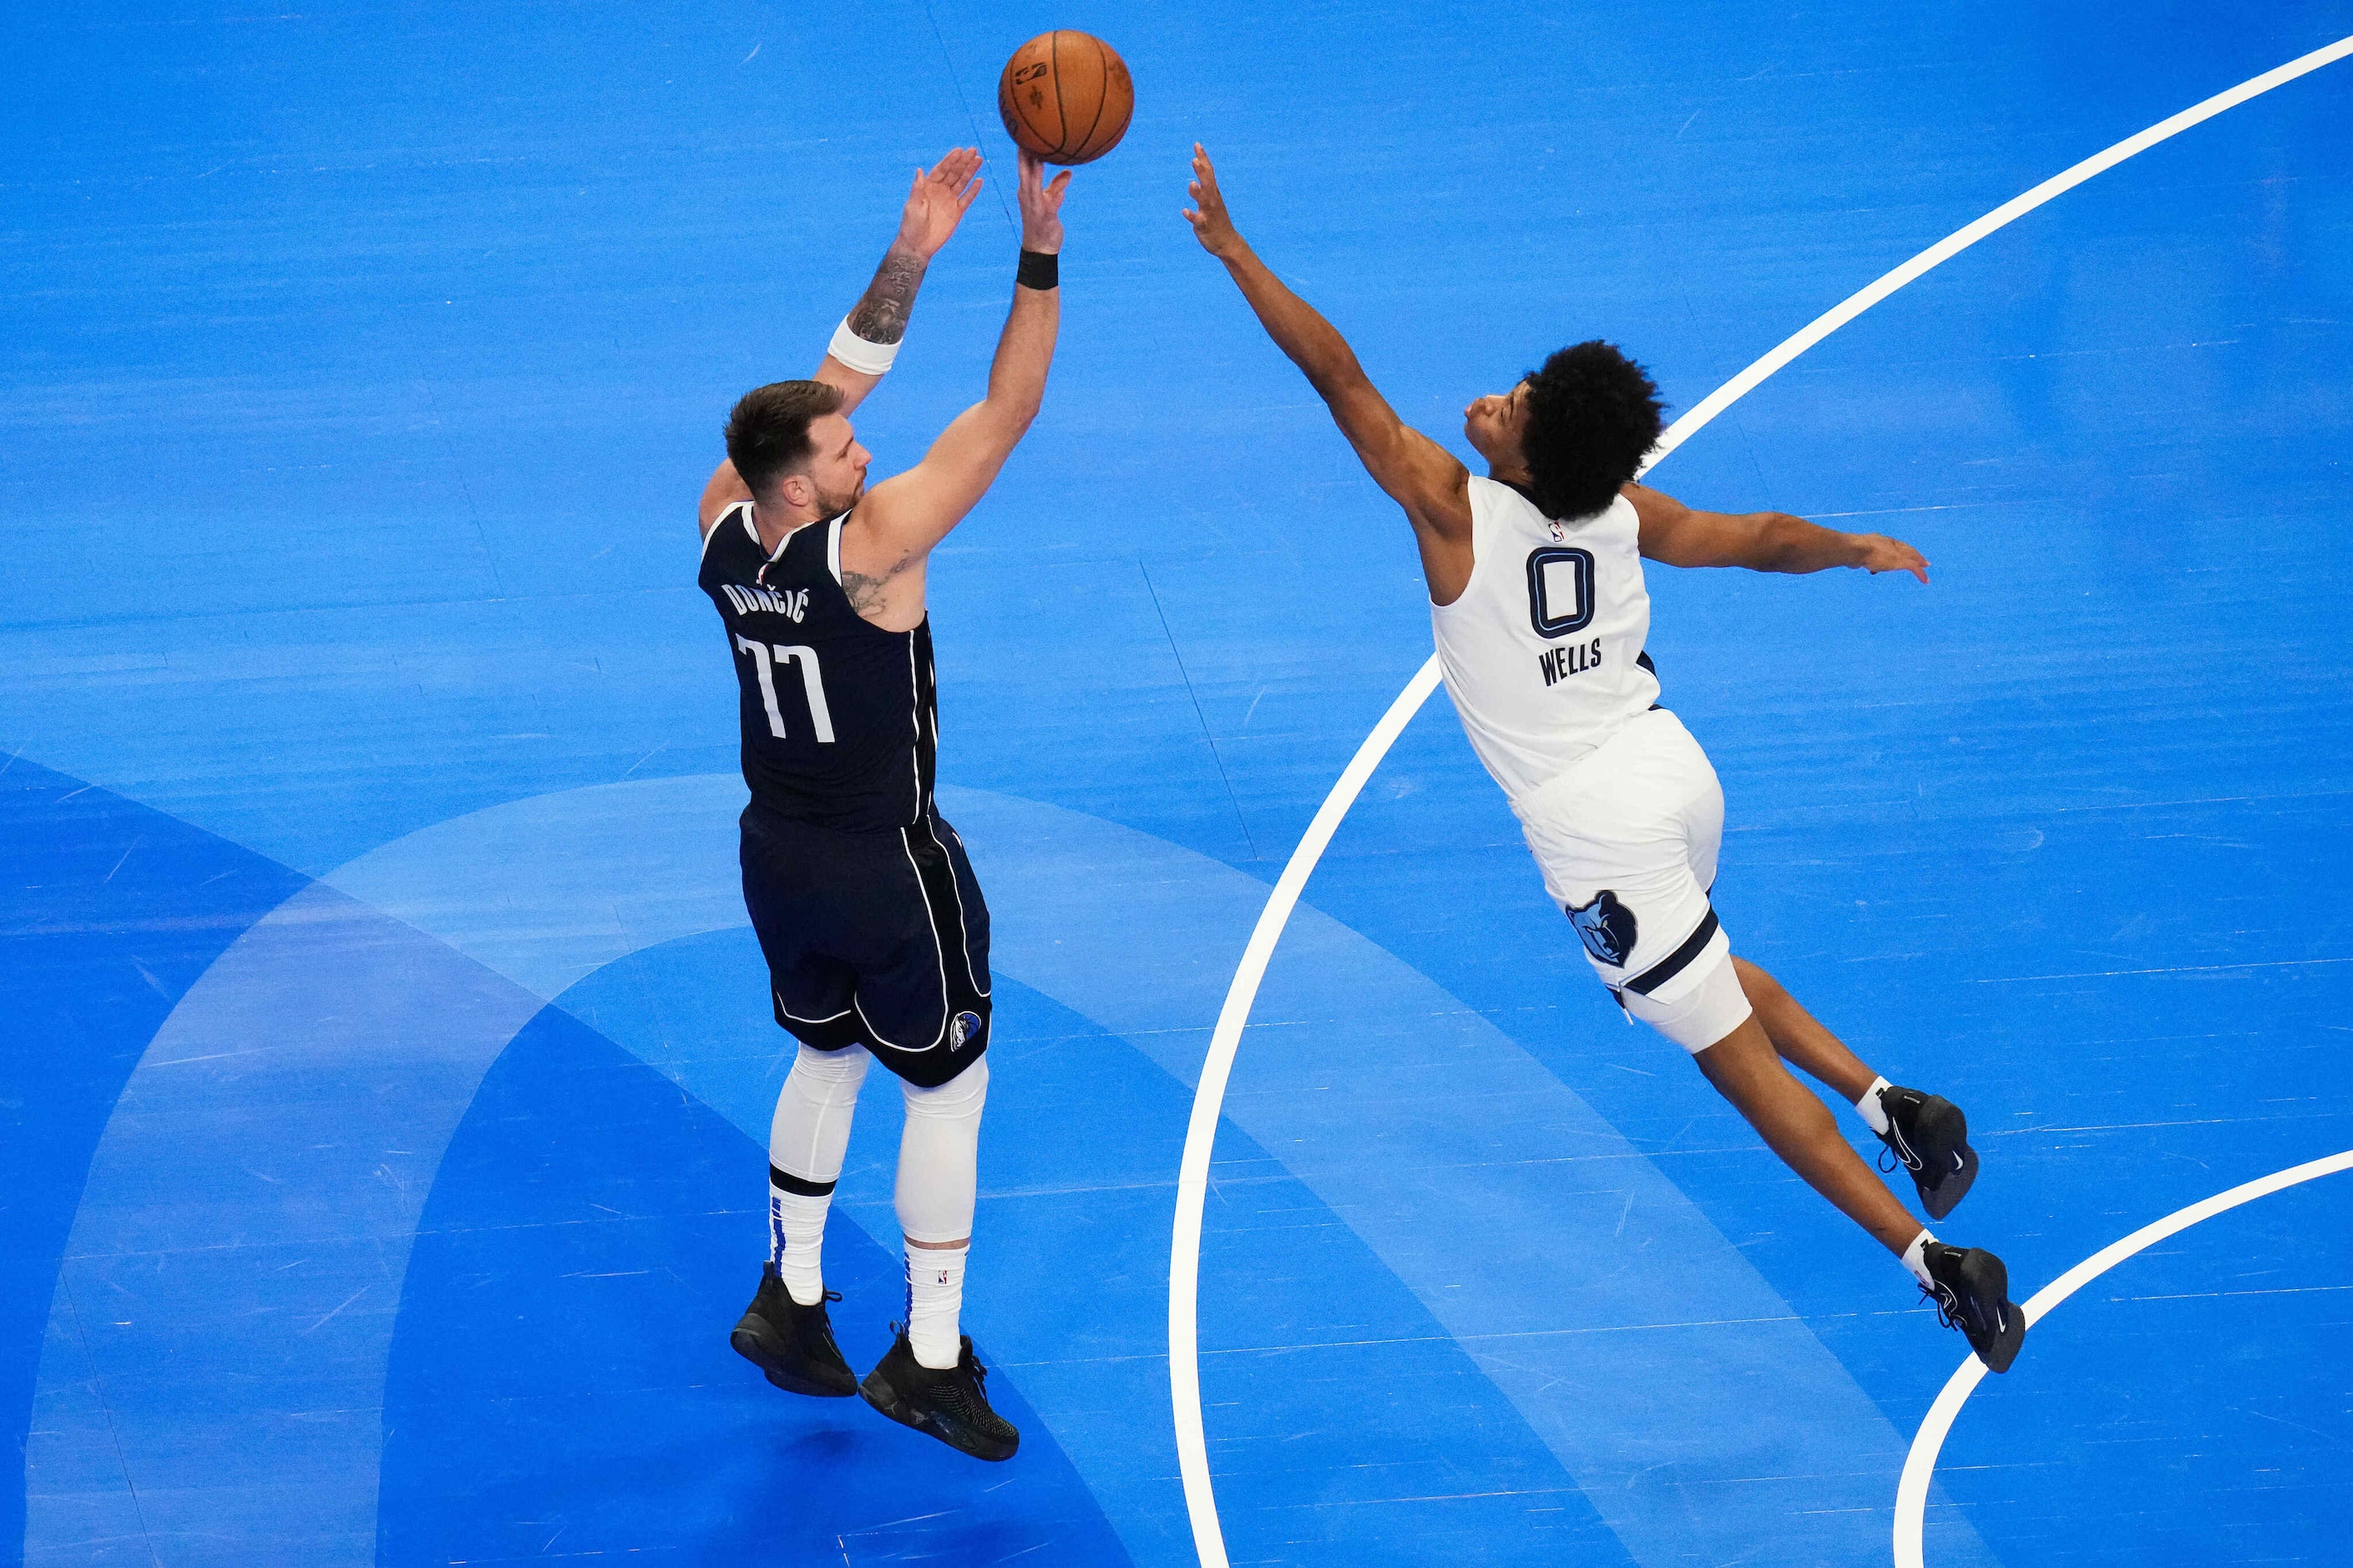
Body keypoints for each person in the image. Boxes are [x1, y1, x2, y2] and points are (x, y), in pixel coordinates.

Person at [1181, 144, 2023, 1373]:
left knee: (1732, 1070)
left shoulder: (1450, 512)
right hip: (1672, 768)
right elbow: (1757, 537)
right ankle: (1895, 1102)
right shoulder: (1623, 508)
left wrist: (1235, 251)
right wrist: (1852, 549)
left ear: (1525, 457)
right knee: (1710, 965)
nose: (1494, 399)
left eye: (1513, 405)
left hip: (1596, 828)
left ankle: (1936, 1263)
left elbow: (1334, 373)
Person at [696, 146, 1073, 1459]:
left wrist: (912, 250)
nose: (864, 442)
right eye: (844, 446)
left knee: (822, 1052)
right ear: (800, 480)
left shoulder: (718, 522)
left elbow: (830, 382)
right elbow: (1007, 408)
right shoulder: (878, 546)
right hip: (885, 862)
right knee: (946, 1091)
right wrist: (1033, 247)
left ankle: (790, 1301)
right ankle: (925, 1357)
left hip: (774, 855)